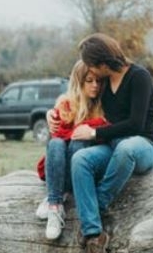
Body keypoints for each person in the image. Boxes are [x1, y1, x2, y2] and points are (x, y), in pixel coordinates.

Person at [68, 33, 153, 253]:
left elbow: (136, 124)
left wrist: (95, 135)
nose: (90, 70)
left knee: (126, 147)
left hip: (143, 146)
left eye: (91, 64)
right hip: (113, 146)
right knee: (80, 159)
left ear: (102, 62)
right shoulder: (104, 83)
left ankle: (95, 208)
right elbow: (78, 99)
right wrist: (54, 113)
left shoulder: (139, 77)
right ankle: (94, 234)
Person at [36, 59, 108, 241]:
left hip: (82, 172)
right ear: (78, 81)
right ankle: (55, 205)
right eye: (89, 81)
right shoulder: (66, 105)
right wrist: (51, 116)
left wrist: (84, 130)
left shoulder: (104, 105)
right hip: (59, 166)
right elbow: (58, 133)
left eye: (98, 81)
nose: (95, 86)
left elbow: (105, 128)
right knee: (56, 143)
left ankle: (56, 195)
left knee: (78, 142)